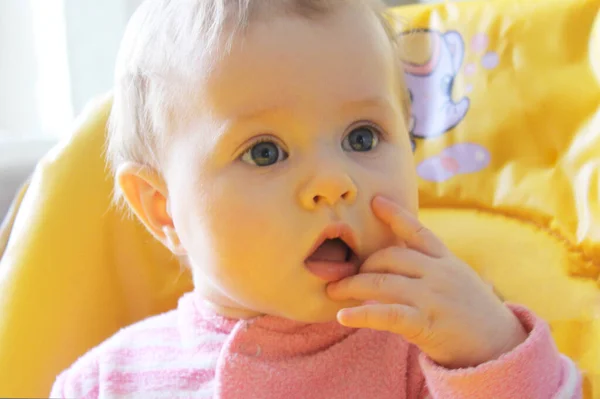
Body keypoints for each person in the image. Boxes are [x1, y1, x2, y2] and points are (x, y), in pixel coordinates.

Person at [50, 0, 581, 397]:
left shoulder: (433, 353)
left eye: (363, 138)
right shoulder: (105, 382)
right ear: (162, 207)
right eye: (264, 152)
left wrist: (493, 351)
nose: (334, 181)